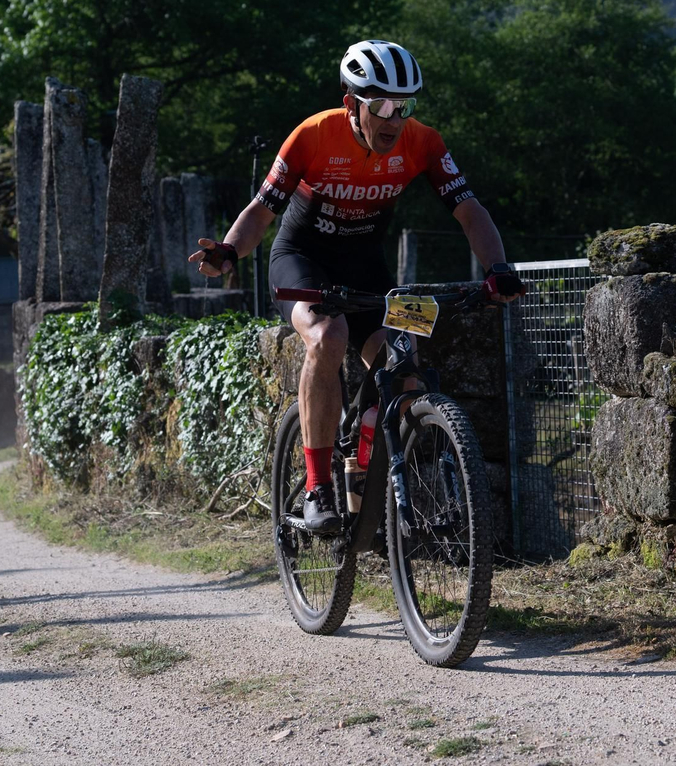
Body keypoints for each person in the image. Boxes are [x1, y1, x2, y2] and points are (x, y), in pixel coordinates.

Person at [190, 39, 523, 534]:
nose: (395, 119)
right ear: (352, 103)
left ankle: (360, 478)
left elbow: (469, 209)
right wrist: (227, 252)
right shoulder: (313, 136)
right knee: (329, 338)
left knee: (405, 369)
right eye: (382, 106)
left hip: (365, 268)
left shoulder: (422, 142)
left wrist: (498, 268)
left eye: (405, 106)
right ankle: (316, 487)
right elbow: (262, 211)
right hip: (302, 260)